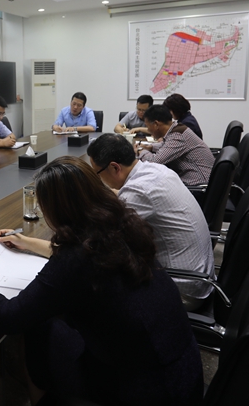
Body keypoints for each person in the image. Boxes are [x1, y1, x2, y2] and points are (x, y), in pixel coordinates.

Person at [0, 157, 203, 405]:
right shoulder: (121, 223)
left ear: (56, 210)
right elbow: (86, 255)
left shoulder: (75, 261)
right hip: (183, 368)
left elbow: (9, 316)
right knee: (49, 324)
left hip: (145, 389)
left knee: (36, 329)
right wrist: (27, 243)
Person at [88, 133, 214, 310]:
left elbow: (105, 240)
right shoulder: (156, 170)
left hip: (184, 291)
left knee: (98, 277)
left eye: (98, 174)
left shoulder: (137, 192)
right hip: (201, 276)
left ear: (115, 167)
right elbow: (127, 196)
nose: (100, 180)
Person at [137, 104, 214, 187]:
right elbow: (167, 145)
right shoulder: (177, 129)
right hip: (195, 181)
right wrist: (151, 147)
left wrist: (141, 151)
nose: (148, 130)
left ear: (156, 124)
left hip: (198, 185)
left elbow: (154, 162)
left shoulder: (178, 136)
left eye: (148, 126)